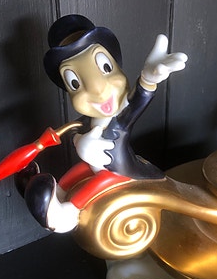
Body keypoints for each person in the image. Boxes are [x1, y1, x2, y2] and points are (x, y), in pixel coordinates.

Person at [20, 15, 187, 232]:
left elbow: (138, 102)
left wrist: (148, 79)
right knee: (81, 170)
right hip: (94, 165)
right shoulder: (88, 120)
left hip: (118, 170)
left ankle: (69, 212)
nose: (98, 92)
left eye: (106, 67)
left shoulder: (121, 118)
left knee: (98, 181)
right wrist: (78, 138)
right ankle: (57, 193)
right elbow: (75, 130)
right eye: (75, 83)